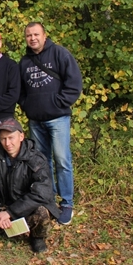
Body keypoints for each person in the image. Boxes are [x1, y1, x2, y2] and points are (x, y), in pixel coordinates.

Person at [18, 22, 82, 225]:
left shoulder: (60, 54)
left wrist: (58, 103)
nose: (32, 38)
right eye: (29, 35)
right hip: (36, 120)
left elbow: (74, 84)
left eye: (36, 34)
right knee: (42, 162)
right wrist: (28, 106)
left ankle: (67, 202)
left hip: (58, 118)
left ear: (45, 35)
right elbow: (20, 91)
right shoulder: (24, 62)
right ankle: (48, 198)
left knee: (62, 160)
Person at [0, 118, 61, 253]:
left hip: (25, 208)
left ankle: (36, 237)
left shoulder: (36, 159)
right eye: (3, 139)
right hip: (3, 205)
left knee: (42, 213)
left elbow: (42, 193)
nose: (7, 143)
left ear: (21, 136)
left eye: (11, 138)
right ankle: (6, 229)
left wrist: (10, 213)